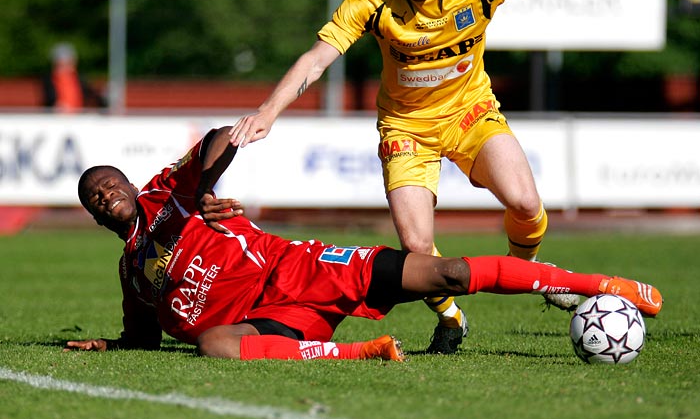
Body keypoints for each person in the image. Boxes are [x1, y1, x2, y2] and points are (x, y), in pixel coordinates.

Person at [227, 0, 684, 354]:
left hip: (470, 112)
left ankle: (528, 272)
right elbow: (317, 57)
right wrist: (268, 112)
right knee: (416, 246)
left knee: (526, 203)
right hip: (407, 129)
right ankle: (451, 318)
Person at [64, 126, 662, 361]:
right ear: (94, 217)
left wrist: (211, 176)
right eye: (95, 197)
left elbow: (219, 138)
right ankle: (363, 351)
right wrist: (111, 345)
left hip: (298, 270)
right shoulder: (131, 275)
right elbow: (141, 338)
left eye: (111, 183)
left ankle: (603, 285)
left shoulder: (172, 192)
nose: (107, 194)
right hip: (271, 326)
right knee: (216, 347)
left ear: (129, 183)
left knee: (444, 273)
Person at [42, 43, 106, 113]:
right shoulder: (48, 80)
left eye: (68, 64)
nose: (65, 68)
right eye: (61, 65)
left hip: (77, 117)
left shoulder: (80, 79)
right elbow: (46, 101)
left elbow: (93, 97)